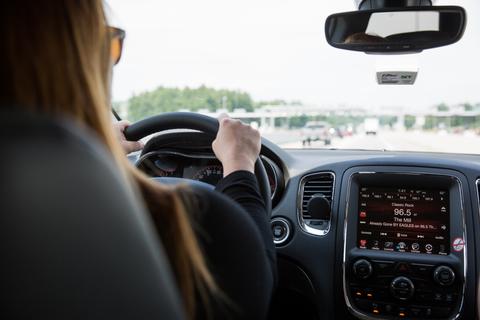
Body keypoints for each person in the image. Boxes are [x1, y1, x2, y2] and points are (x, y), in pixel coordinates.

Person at [0, 1, 276, 320]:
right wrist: (239, 166)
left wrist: (100, 153)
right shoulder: (200, 223)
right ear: (81, 56)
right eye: (109, 44)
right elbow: (256, 289)